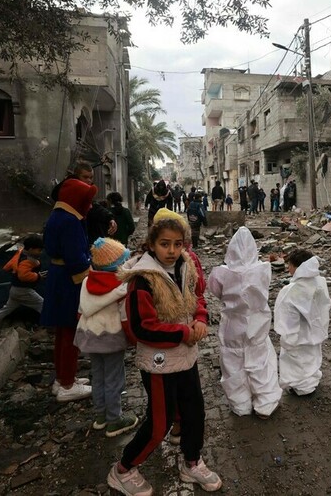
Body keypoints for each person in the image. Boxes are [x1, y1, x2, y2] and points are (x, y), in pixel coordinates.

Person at [107, 212, 221, 495]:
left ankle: (191, 462)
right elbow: (141, 328)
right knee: (160, 423)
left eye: (177, 244)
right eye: (164, 244)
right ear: (151, 244)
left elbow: (196, 298)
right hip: (158, 363)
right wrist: (183, 333)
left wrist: (200, 319)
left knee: (194, 412)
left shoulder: (186, 266)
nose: (172, 250)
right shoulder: (142, 280)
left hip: (187, 357)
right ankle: (123, 469)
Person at [207, 227, 281, 419]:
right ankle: (265, 404)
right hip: (257, 324)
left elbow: (215, 291)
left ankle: (241, 405)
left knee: (233, 365)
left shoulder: (220, 273)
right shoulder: (263, 268)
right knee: (260, 362)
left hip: (233, 325)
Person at [74, 238, 138, 438]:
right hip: (111, 338)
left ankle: (100, 416)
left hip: (89, 335)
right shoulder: (122, 286)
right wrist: (133, 340)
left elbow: (79, 312)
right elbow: (126, 318)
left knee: (98, 375)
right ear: (118, 264)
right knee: (114, 379)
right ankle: (114, 420)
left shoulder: (86, 281)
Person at [41, 178, 95, 402]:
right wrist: (91, 267)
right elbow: (76, 259)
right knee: (72, 333)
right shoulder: (70, 221)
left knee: (63, 333)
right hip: (70, 281)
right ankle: (67, 385)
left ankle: (62, 378)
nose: (89, 206)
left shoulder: (57, 216)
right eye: (86, 201)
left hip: (59, 277)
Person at [273, 249, 331, 396]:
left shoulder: (291, 290)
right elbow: (324, 306)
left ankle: (300, 387)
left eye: (290, 265)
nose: (288, 268)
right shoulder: (320, 282)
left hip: (298, 334)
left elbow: (287, 316)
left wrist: (288, 338)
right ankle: (310, 383)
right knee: (311, 357)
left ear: (298, 267)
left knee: (296, 361)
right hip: (315, 330)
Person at [51, 161, 118, 244]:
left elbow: (95, 207)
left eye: (91, 177)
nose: (89, 180)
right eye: (85, 177)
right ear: (76, 176)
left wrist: (110, 218)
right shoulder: (70, 194)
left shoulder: (84, 192)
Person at [0, 234, 46, 326]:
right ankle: (50, 325)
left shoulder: (20, 253)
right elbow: (23, 276)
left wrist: (15, 270)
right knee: (43, 305)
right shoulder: (27, 260)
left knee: (5, 309)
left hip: (14, 290)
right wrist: (37, 276)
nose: (41, 252)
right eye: (39, 250)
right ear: (31, 249)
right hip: (24, 291)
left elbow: (7, 267)